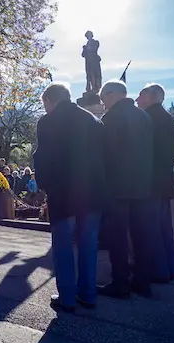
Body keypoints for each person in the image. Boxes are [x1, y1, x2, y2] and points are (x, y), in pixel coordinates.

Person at [33, 82, 107, 312]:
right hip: (93, 192)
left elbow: (42, 157)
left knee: (63, 247)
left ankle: (67, 296)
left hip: (63, 192)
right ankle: (88, 294)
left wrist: (45, 185)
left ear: (48, 101)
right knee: (88, 245)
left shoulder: (48, 122)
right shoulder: (94, 121)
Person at [98, 80, 156, 299]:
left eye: (104, 100)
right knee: (142, 234)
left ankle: (120, 283)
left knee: (118, 237)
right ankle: (143, 281)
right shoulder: (145, 117)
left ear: (112, 95)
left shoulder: (110, 119)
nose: (104, 105)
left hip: (118, 187)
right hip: (142, 185)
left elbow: (107, 155)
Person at [136, 83, 174, 282]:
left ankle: (159, 271)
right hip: (164, 181)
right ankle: (170, 268)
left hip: (150, 181)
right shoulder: (168, 118)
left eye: (140, 96)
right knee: (164, 228)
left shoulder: (147, 119)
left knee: (151, 229)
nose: (136, 100)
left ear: (149, 97)